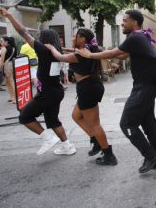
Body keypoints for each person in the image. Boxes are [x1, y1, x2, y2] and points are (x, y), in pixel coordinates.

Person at [77, 10, 156, 173]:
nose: (122, 23)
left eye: (125, 20)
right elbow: (122, 55)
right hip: (148, 86)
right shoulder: (139, 37)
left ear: (134, 23)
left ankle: (151, 156)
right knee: (148, 123)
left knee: (127, 123)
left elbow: (114, 52)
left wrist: (90, 55)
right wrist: (100, 52)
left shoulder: (135, 37)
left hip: (144, 87)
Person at [0, 6, 75, 156]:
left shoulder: (44, 50)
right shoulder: (56, 52)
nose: (37, 40)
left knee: (25, 116)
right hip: (57, 91)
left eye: (39, 39)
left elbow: (23, 32)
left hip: (47, 93)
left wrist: (10, 16)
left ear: (44, 41)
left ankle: (48, 138)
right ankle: (68, 146)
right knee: (52, 121)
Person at [45, 28, 117, 165]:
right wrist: (59, 47)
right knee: (76, 116)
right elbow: (70, 51)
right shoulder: (87, 51)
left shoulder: (80, 55)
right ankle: (96, 141)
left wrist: (50, 48)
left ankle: (109, 155)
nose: (72, 38)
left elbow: (60, 57)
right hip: (89, 87)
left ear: (82, 39)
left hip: (88, 88)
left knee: (95, 124)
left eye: (75, 36)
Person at [0, 36, 17, 103]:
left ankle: (14, 98)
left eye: (1, 41)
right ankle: (11, 97)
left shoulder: (4, 49)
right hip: (12, 64)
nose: (0, 42)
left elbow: (1, 61)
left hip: (7, 66)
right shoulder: (13, 47)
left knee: (10, 81)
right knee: (8, 81)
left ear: (6, 41)